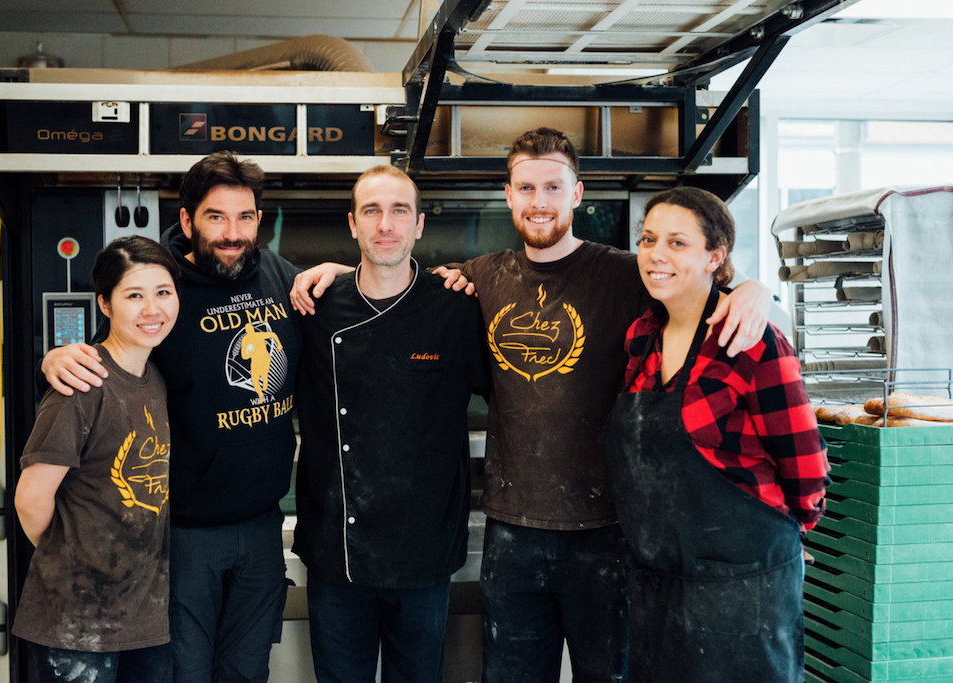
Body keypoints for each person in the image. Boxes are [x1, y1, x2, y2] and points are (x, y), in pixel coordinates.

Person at [291, 128, 773, 682]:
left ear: (577, 193)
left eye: (552, 187)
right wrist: (335, 274)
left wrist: (753, 290)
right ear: (509, 195)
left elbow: (693, 286)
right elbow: (393, 280)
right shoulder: (479, 278)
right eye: (526, 188)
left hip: (604, 526)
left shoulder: (624, 271)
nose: (538, 202)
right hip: (512, 530)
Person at [40, 152, 301, 682]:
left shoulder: (277, 273)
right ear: (186, 220)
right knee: (185, 673)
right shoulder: (162, 286)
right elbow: (104, 365)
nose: (233, 233)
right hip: (183, 537)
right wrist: (56, 355)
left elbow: (350, 294)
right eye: (215, 217)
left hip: (261, 528)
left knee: (248, 672)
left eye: (245, 217)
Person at [604, 187, 829, 683]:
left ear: (716, 256)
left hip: (742, 591)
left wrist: (784, 538)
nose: (656, 254)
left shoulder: (752, 340)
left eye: (677, 243)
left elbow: (806, 465)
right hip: (659, 584)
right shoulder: (643, 336)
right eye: (648, 239)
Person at [292, 165, 489, 682]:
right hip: (338, 550)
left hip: (423, 551)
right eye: (372, 211)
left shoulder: (456, 308)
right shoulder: (314, 306)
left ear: (419, 225)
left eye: (399, 210)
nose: (386, 224)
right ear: (352, 225)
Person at [13, 236, 180, 683]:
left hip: (142, 618)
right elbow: (31, 499)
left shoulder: (155, 378)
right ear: (104, 305)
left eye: (163, 293)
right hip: (75, 623)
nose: (153, 309)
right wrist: (70, 558)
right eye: (134, 296)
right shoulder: (83, 383)